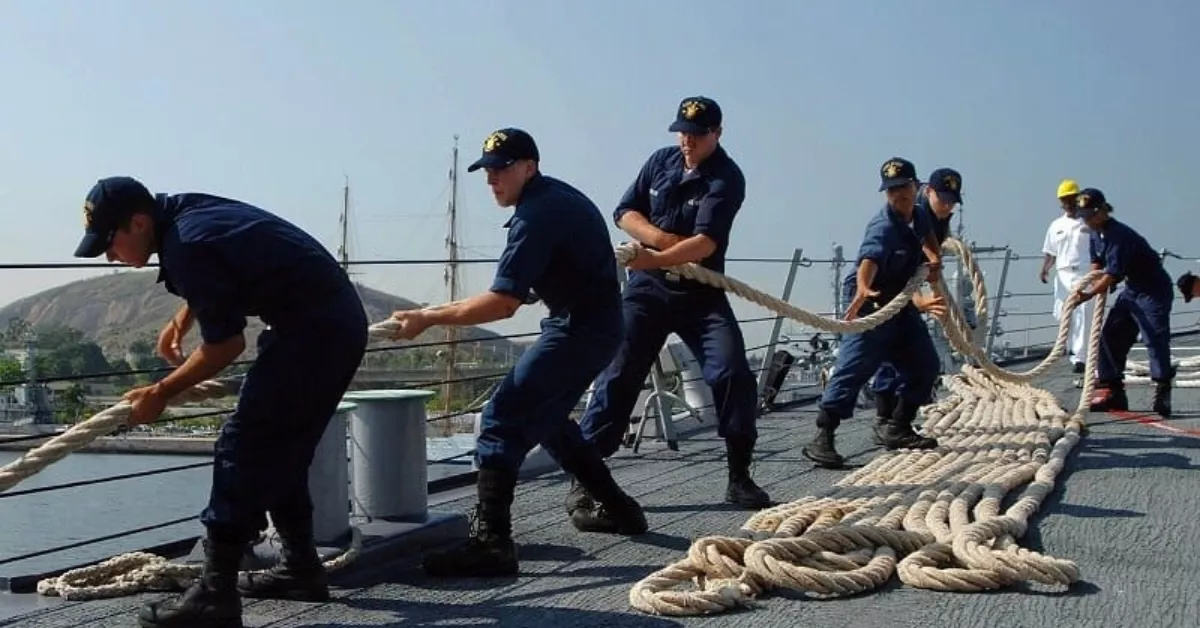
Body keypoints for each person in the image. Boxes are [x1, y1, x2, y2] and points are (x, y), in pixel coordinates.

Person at [72, 176, 369, 628]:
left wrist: (161, 392)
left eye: (109, 243)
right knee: (278, 449)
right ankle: (301, 569)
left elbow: (226, 344)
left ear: (137, 222)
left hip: (315, 333)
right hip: (323, 323)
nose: (110, 256)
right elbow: (228, 261)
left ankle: (215, 593)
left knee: (240, 446)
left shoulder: (185, 242)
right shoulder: (181, 212)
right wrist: (182, 316)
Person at [388, 128, 648, 579]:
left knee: (501, 417)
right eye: (487, 170)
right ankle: (621, 510)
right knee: (548, 420)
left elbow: (503, 305)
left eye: (502, 168)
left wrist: (427, 317)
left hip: (578, 329)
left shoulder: (535, 216)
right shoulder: (554, 199)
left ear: (530, 166)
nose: (492, 179)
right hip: (597, 325)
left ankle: (492, 544)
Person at [570, 96, 771, 512]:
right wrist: (662, 244)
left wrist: (657, 254)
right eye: (682, 132)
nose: (687, 141)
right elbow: (624, 212)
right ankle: (584, 478)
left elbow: (705, 243)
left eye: (697, 135)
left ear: (717, 133)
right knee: (619, 372)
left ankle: (740, 477)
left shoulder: (727, 179)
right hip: (647, 290)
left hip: (700, 295)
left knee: (732, 370)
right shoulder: (660, 161)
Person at [802, 158, 943, 469]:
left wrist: (933, 256)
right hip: (870, 301)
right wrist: (864, 288)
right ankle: (823, 437)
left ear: (914, 187)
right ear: (885, 194)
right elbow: (869, 258)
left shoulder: (918, 213)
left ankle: (899, 427)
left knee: (926, 364)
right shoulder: (883, 226)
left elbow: (928, 231)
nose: (899, 195)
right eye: (891, 191)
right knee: (856, 365)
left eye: (903, 188)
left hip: (899, 300)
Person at [868, 168, 961, 442]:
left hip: (902, 293)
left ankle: (895, 423)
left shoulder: (934, 217)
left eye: (952, 200)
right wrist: (919, 300)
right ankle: (887, 422)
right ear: (927, 191)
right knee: (897, 357)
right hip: (883, 293)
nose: (947, 205)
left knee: (918, 361)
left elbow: (925, 263)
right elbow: (898, 271)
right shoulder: (912, 217)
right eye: (942, 198)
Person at [1074, 188, 1174, 417]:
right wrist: (1090, 283)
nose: (1086, 220)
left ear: (1102, 211)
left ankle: (1162, 389)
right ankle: (1114, 392)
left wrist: (1088, 295)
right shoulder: (1094, 234)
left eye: (1090, 215)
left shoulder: (1119, 236)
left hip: (1153, 290)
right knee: (1110, 336)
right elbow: (1097, 264)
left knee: (1154, 338)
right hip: (1132, 290)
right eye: (1084, 216)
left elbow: (1112, 275)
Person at [1039, 178, 1093, 373]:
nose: (1069, 203)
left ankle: (1081, 357)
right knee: (1065, 315)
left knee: (1085, 315)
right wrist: (1045, 268)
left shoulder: (1088, 222)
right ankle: (1073, 351)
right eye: (1065, 200)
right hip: (1063, 275)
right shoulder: (1056, 226)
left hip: (1085, 273)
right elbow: (1050, 251)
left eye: (1072, 199)